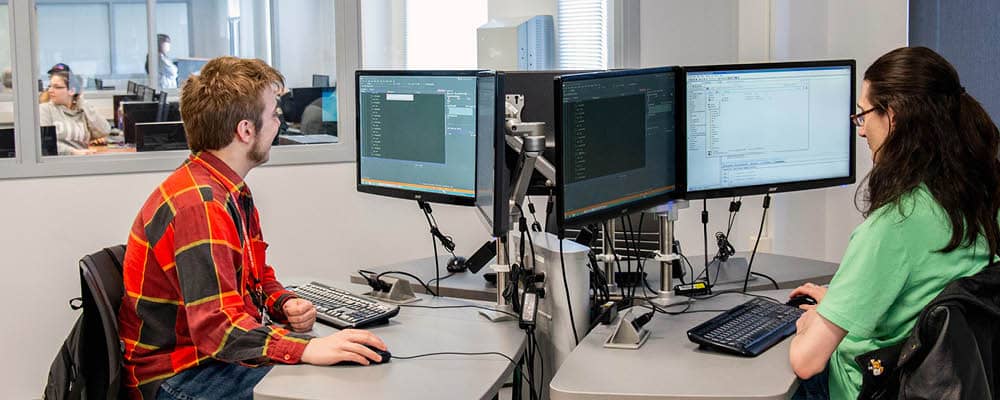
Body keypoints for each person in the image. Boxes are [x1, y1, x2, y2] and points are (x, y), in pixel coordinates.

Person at [118, 56, 387, 400]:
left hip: (207, 358)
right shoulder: (201, 207)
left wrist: (283, 303)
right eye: (274, 114)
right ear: (246, 130)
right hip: (182, 377)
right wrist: (306, 349)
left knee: (334, 373)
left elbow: (254, 277)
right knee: (333, 386)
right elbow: (218, 329)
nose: (279, 123)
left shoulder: (228, 189)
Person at [788, 46, 1000, 400]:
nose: (860, 131)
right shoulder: (985, 196)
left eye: (863, 115)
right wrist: (838, 304)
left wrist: (810, 323)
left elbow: (806, 361)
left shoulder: (894, 225)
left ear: (894, 117)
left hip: (874, 387)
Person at [38, 70, 110, 155]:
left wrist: (82, 102)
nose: (50, 90)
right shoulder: (44, 109)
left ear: (71, 91)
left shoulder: (82, 110)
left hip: (82, 161)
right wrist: (73, 152)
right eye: (49, 86)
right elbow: (46, 143)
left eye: (56, 87)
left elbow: (104, 131)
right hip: (59, 162)